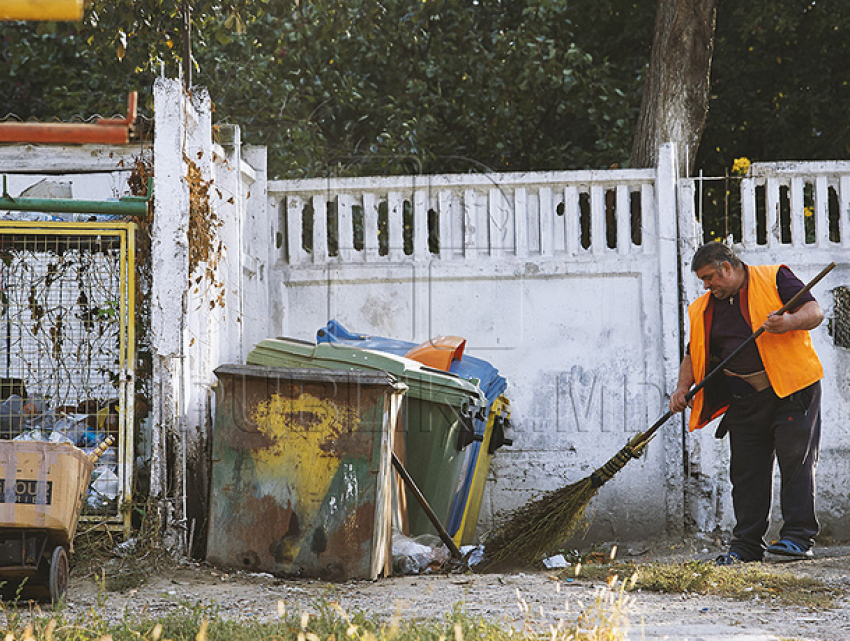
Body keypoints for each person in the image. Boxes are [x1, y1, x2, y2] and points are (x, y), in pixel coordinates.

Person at [670, 242, 824, 565]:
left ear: (727, 267)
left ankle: (798, 538)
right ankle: (747, 546)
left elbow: (814, 312)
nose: (707, 285)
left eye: (710, 277)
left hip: (792, 391)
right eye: (703, 281)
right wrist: (683, 387)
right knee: (746, 473)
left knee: (795, 461)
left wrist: (788, 323)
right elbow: (692, 352)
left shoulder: (775, 278)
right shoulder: (704, 308)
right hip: (744, 400)